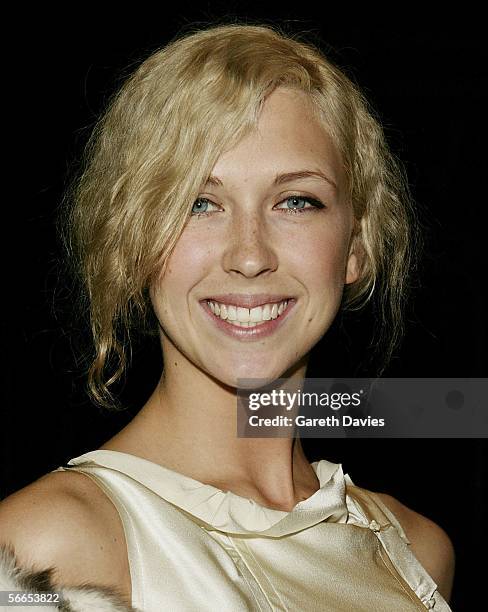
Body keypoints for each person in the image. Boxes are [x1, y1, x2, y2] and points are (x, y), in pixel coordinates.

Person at [0, 23, 454, 611]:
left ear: (358, 244)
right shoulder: (44, 550)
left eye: (296, 201)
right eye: (198, 203)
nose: (248, 255)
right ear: (132, 241)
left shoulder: (415, 551)